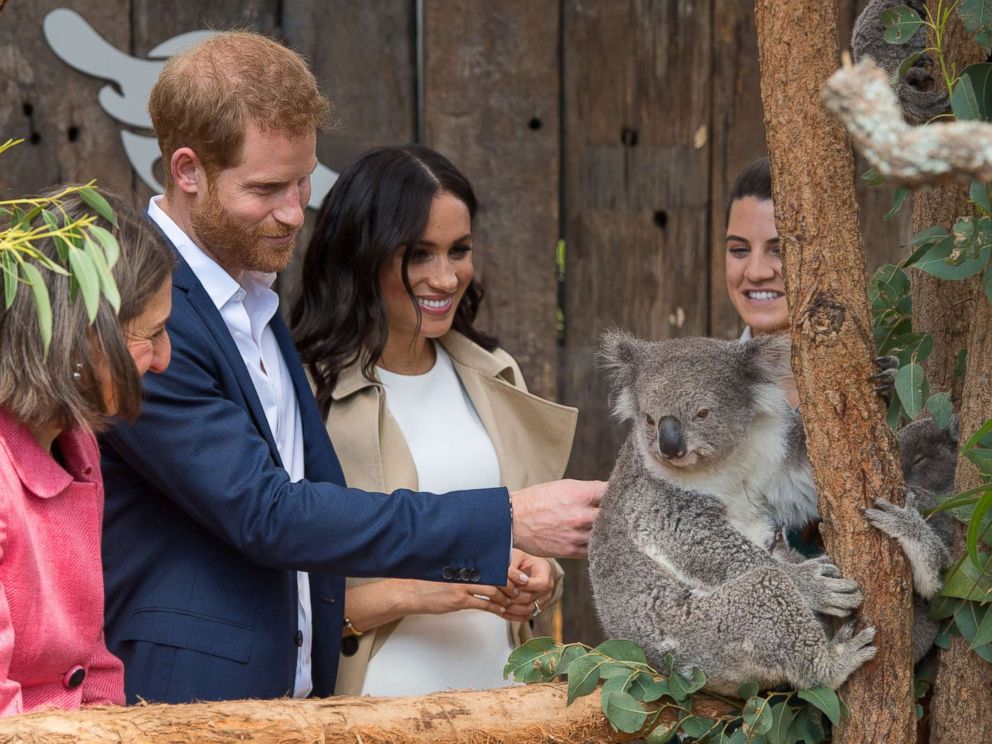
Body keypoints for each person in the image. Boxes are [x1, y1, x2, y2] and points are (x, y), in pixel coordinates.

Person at [99, 31, 604, 704]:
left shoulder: (251, 295)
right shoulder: (142, 309)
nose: (292, 211)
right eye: (267, 187)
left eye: (303, 180)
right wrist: (504, 518)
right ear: (187, 170)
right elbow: (268, 514)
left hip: (299, 697)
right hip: (195, 698)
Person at [291, 144, 576, 696]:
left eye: (459, 250)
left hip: (504, 705)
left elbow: (527, 538)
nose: (445, 278)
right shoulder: (307, 392)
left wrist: (538, 583)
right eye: (419, 254)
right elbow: (283, 602)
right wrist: (410, 591)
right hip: (373, 713)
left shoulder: (494, 375)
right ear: (362, 254)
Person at [0, 190, 174, 715]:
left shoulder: (78, 446)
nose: (165, 359)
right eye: (152, 333)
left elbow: (90, 662)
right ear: (83, 338)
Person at [724, 156, 798, 407]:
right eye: (739, 250)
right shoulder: (699, 388)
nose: (756, 273)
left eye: (780, 250)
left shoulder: (887, 383)